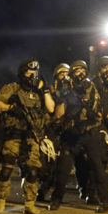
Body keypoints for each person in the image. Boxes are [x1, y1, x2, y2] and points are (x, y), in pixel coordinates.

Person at [0, 59, 55, 214]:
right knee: (6, 170)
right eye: (29, 72)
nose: (33, 75)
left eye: (35, 73)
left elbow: (51, 108)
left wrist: (45, 90)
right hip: (13, 135)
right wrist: (11, 108)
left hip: (32, 137)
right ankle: (0, 201)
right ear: (22, 73)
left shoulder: (38, 93)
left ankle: (29, 203)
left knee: (33, 171)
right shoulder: (13, 88)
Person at [52, 59, 108, 213]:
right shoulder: (66, 88)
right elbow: (59, 113)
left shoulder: (90, 87)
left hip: (88, 131)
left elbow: (99, 111)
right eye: (77, 71)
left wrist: (91, 115)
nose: (81, 74)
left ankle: (105, 202)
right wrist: (65, 100)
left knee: (98, 168)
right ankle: (56, 199)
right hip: (71, 133)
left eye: (83, 70)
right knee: (63, 169)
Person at [38, 63, 71, 204]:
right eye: (61, 73)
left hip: (67, 131)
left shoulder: (73, 90)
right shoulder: (51, 90)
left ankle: (55, 194)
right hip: (51, 130)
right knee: (48, 165)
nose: (65, 76)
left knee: (63, 166)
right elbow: (53, 111)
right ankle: (41, 190)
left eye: (67, 73)